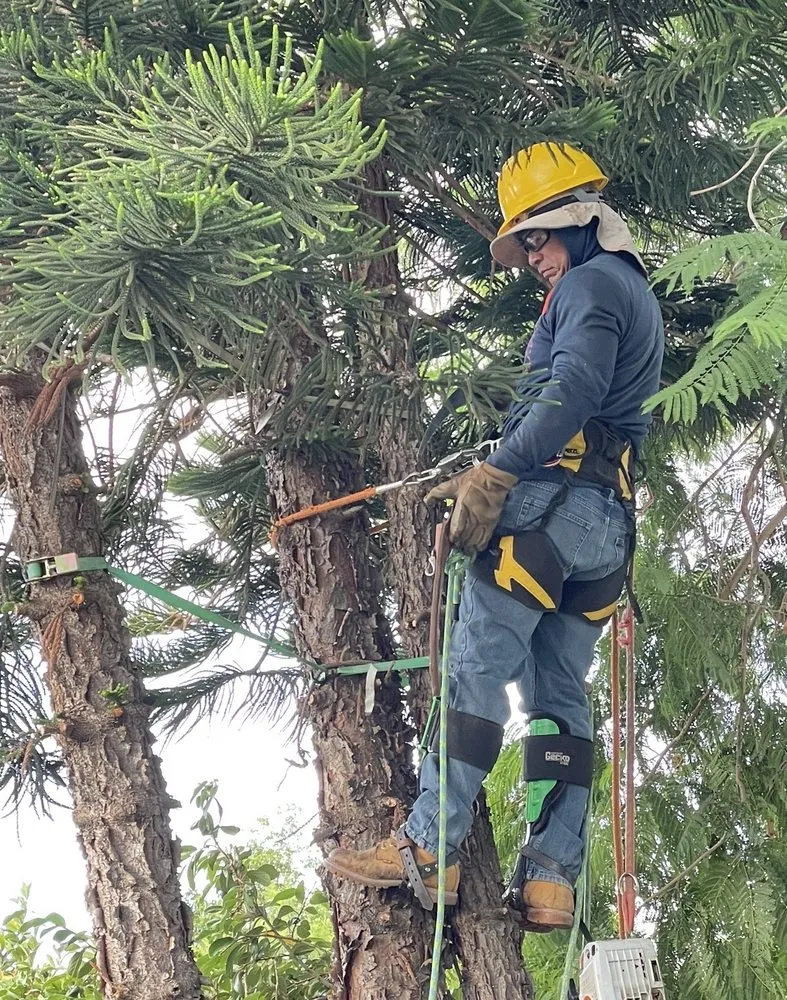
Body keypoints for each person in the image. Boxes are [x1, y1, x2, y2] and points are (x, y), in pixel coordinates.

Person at [325, 143, 664, 931]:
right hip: (603, 532)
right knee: (559, 703)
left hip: (546, 511)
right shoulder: (630, 291)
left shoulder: (586, 283)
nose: (533, 260)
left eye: (538, 240)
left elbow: (572, 389)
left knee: (474, 673)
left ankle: (427, 847)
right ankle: (550, 878)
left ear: (575, 222)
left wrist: (497, 473)